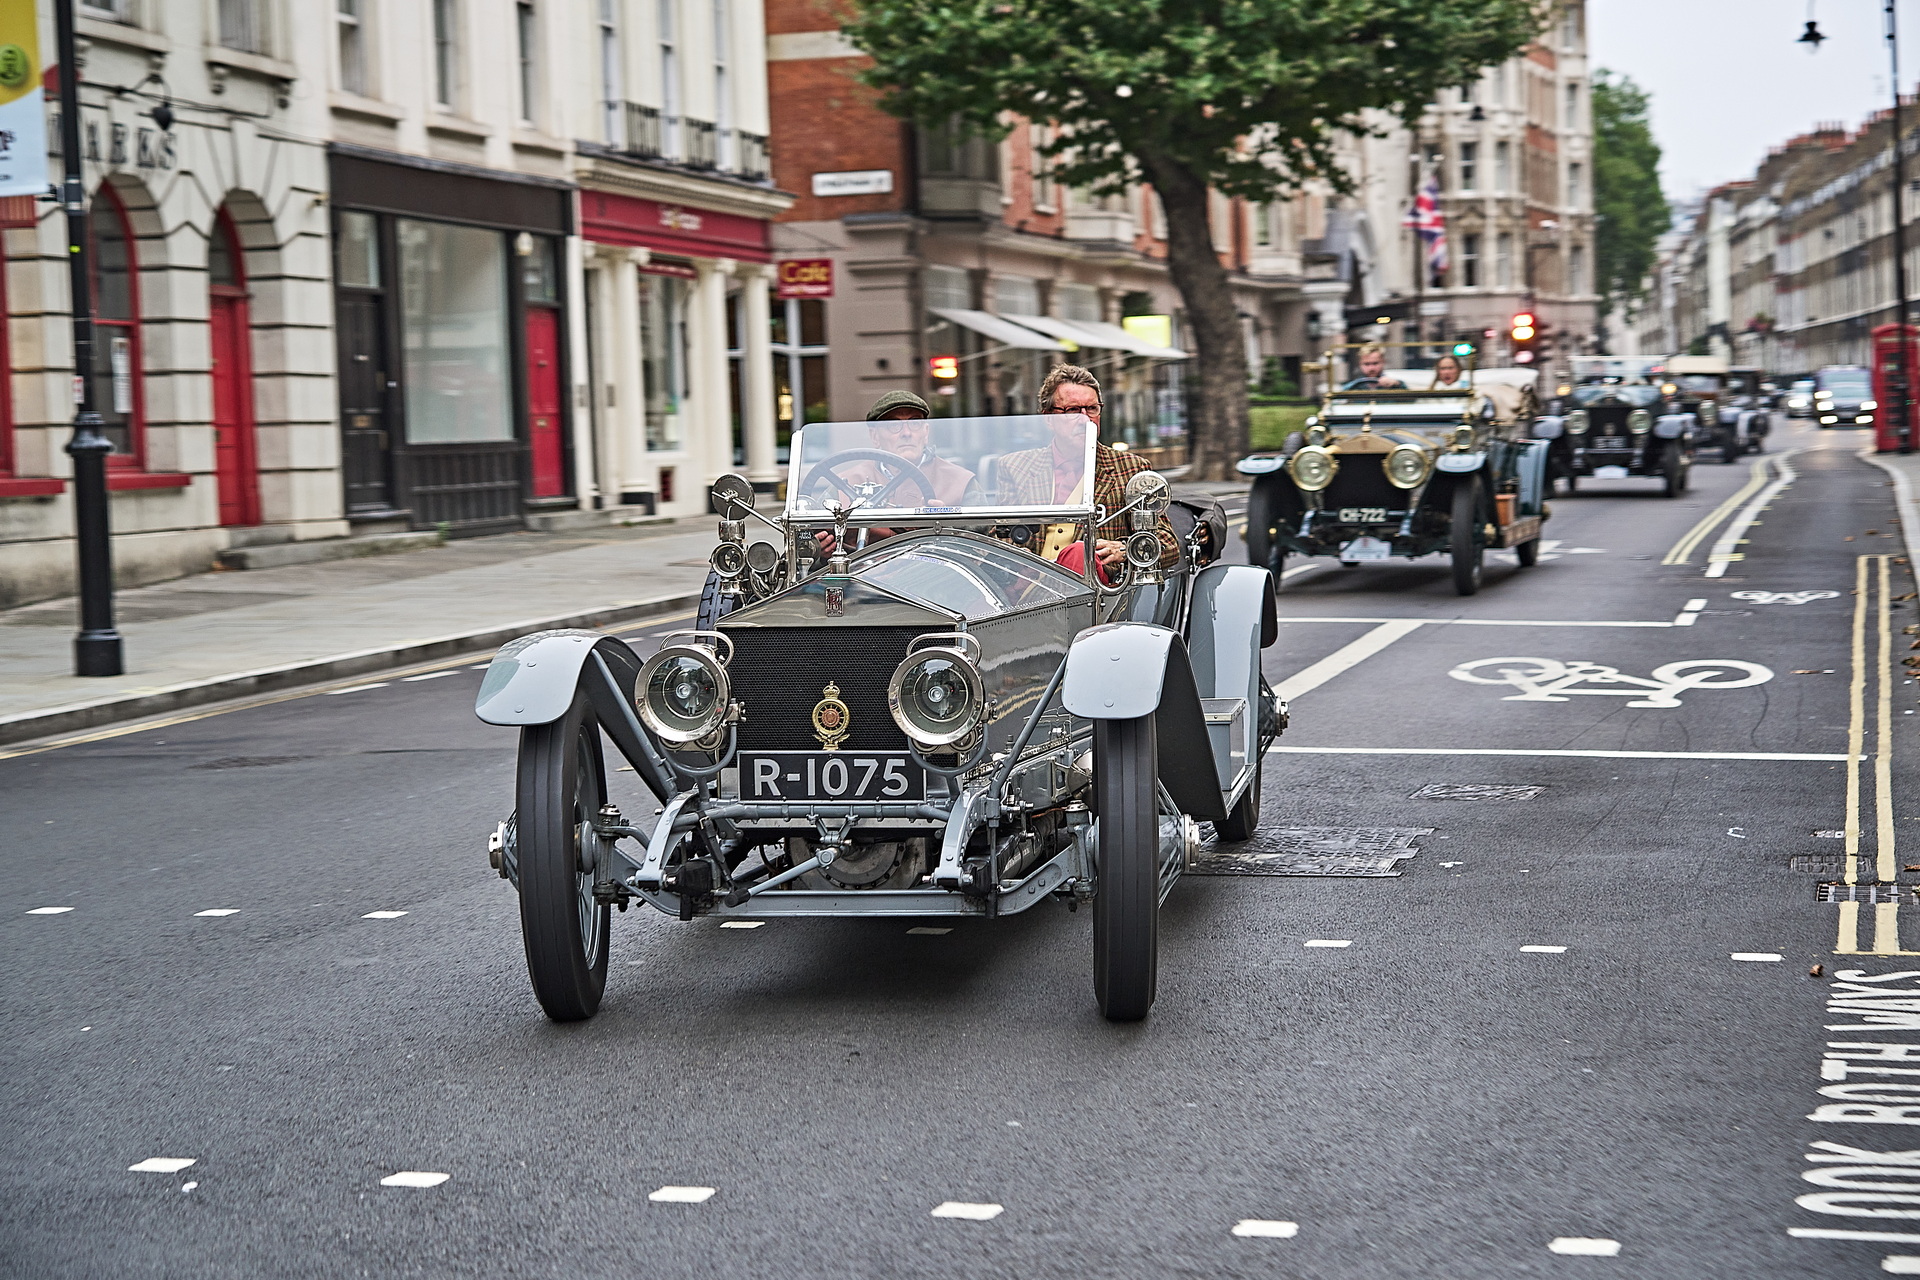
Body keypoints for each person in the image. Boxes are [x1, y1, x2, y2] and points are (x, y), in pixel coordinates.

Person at [995, 365, 1178, 576]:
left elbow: (1168, 546)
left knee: (1080, 552)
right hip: (1026, 588)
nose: (1085, 419)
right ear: (1048, 418)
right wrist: (1024, 566)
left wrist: (1124, 550)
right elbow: (999, 538)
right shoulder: (1015, 467)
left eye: (1092, 409)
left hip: (1097, 595)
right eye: (1073, 410)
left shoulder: (1131, 468)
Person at [811, 391, 979, 553]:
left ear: (925, 432)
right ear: (875, 436)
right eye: (893, 425)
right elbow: (810, 547)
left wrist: (945, 524)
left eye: (915, 423)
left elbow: (982, 546)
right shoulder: (845, 483)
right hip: (861, 577)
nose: (907, 433)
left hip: (937, 576)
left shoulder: (960, 482)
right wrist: (822, 551)